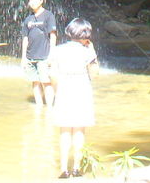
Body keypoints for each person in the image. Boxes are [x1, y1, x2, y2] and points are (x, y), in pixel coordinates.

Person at [49, 18, 98, 179]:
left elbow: (52, 75)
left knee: (64, 131)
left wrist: (57, 91)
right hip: (82, 90)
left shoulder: (57, 50)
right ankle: (76, 168)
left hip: (64, 89)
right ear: (86, 35)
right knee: (79, 130)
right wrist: (93, 50)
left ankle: (64, 169)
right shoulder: (87, 51)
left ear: (69, 32)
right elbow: (94, 74)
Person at [21, 0, 57, 106]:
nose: (32, 2)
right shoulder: (28, 19)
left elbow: (53, 35)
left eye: (35, 0)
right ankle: (39, 107)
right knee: (35, 82)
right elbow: (25, 38)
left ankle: (50, 107)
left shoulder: (48, 15)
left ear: (41, 1)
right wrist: (23, 57)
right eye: (30, 0)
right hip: (30, 56)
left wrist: (52, 55)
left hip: (44, 55)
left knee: (46, 82)